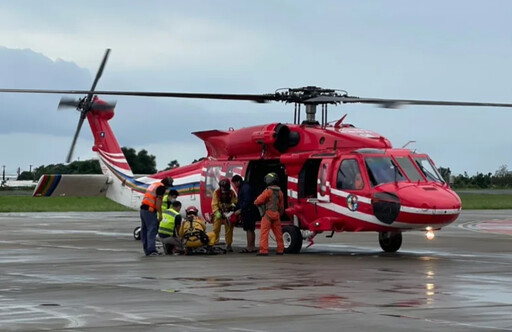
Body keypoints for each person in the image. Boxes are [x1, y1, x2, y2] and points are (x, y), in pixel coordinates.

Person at [139, 176, 173, 256]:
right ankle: (152, 251)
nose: (167, 189)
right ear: (167, 185)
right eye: (168, 186)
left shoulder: (154, 184)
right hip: (150, 210)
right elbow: (158, 201)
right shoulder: (161, 188)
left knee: (144, 230)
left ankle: (147, 250)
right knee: (152, 230)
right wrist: (160, 214)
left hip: (143, 209)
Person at [254, 172, 284, 256]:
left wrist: (256, 203)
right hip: (276, 215)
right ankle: (280, 249)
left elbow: (258, 200)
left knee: (264, 233)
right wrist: (279, 214)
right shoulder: (280, 192)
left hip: (267, 214)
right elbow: (281, 206)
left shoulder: (268, 191)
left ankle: (264, 250)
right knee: (278, 234)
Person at [232, 175, 259, 253]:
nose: (234, 185)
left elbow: (247, 201)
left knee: (248, 229)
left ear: (238, 182)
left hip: (248, 211)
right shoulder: (245, 187)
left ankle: (249, 247)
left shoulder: (245, 188)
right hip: (250, 210)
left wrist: (240, 210)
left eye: (234, 183)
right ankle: (252, 246)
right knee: (251, 229)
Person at [211, 178, 238, 252]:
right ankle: (214, 242)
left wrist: (232, 210)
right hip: (219, 212)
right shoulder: (217, 192)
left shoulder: (232, 193)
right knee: (216, 228)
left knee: (229, 229)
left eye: (225, 187)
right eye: (222, 187)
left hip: (228, 213)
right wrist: (217, 212)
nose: (223, 189)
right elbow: (214, 204)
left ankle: (228, 244)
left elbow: (234, 202)